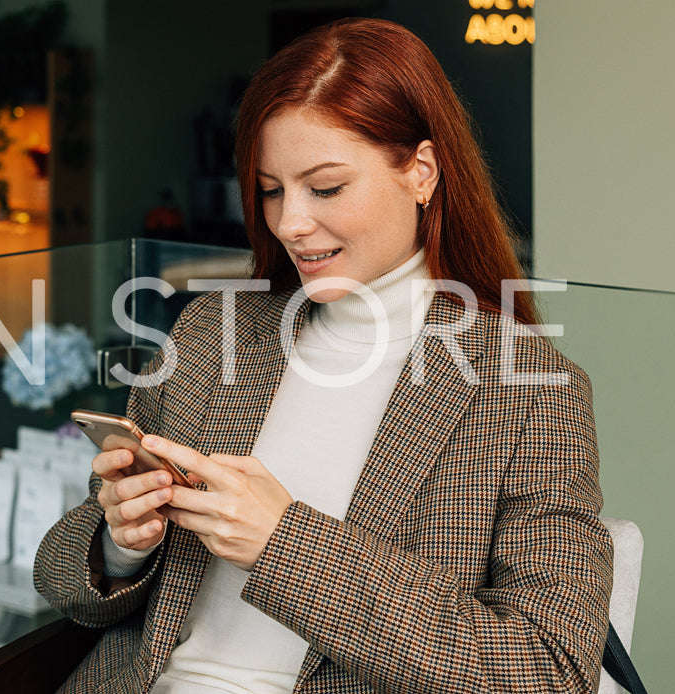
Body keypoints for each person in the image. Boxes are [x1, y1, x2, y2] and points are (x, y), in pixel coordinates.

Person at [34, 18, 613, 694]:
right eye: (272, 189)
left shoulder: (529, 390)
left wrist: (283, 542)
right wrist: (119, 544)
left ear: (420, 172)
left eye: (326, 187)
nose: (288, 223)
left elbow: (546, 670)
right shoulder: (212, 335)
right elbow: (62, 584)